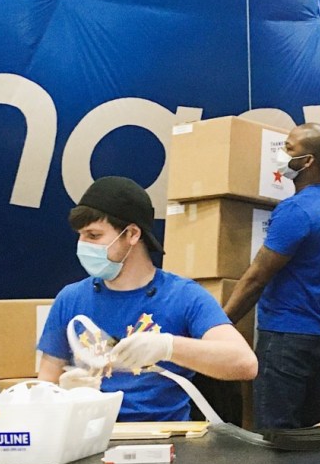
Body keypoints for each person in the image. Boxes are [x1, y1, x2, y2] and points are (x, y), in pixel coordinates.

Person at [37, 176, 258, 421]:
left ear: (131, 234)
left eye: (93, 235)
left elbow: (245, 363)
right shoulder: (71, 298)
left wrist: (168, 346)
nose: (83, 245)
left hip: (162, 441)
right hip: (89, 437)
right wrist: (64, 396)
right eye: (81, 235)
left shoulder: (183, 296)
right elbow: (46, 381)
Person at [223, 122, 320, 430]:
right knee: (313, 430)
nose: (281, 155)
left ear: (307, 162)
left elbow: (256, 279)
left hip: (285, 340)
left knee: (276, 434)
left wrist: (219, 327)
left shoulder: (295, 211)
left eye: (289, 149)